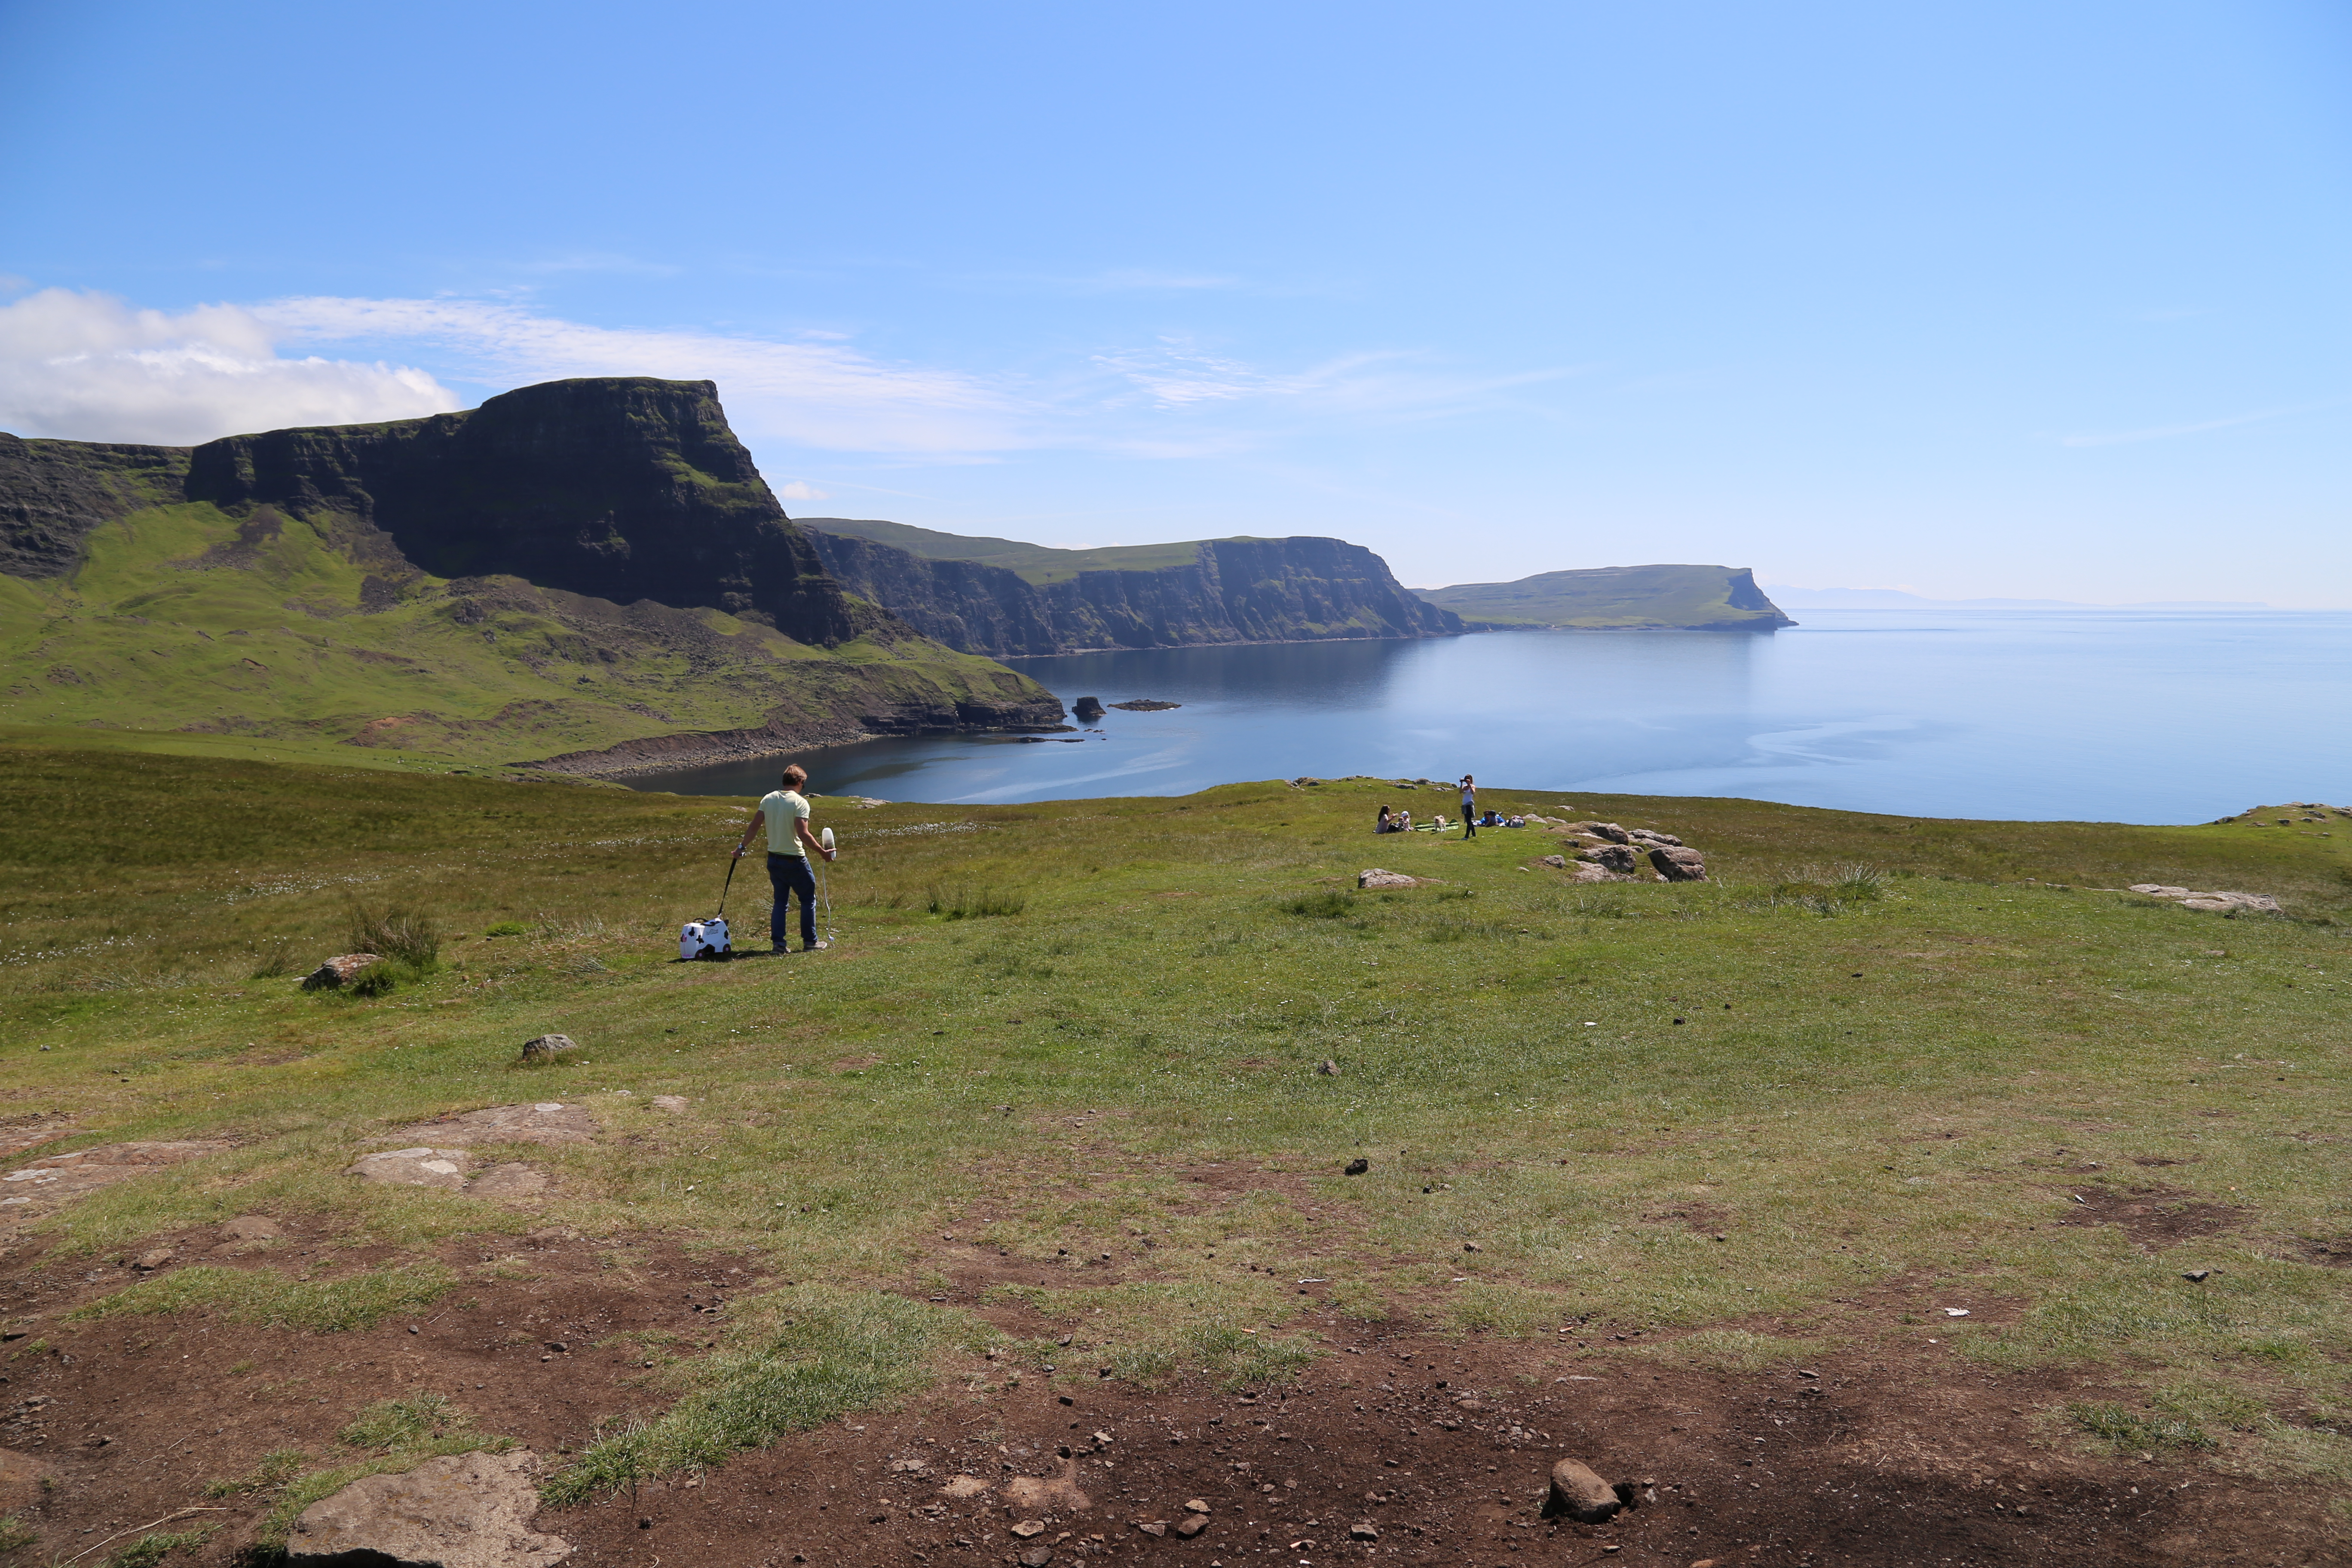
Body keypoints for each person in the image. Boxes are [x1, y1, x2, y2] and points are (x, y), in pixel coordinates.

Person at [732, 763, 836, 953]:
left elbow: (754, 826)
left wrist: (741, 848)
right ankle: (810, 942)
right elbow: (803, 833)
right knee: (808, 900)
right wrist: (822, 852)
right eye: (803, 784)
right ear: (800, 782)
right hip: (795, 860)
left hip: (774, 860)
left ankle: (779, 945)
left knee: (780, 902)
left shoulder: (768, 799)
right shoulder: (800, 802)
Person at [1458, 774, 1477, 839]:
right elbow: (1461, 792)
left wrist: (1470, 785)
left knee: (1469, 821)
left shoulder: (1473, 786)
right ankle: (1474, 834)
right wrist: (1461, 784)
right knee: (1468, 820)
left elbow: (1473, 793)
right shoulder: (1464, 787)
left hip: (1469, 804)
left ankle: (1466, 837)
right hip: (1464, 805)